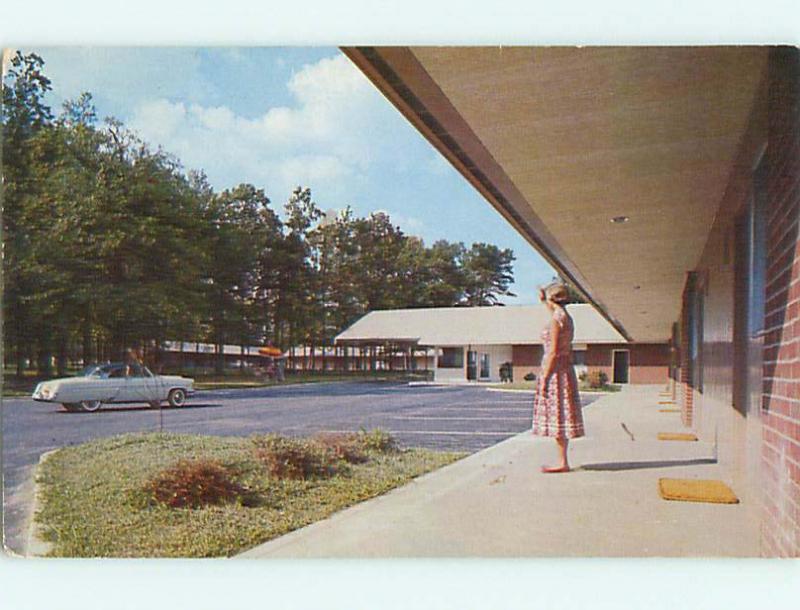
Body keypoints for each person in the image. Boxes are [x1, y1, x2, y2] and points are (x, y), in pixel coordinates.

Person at [532, 282, 584, 473]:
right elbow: (553, 308)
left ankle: (562, 462)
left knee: (557, 416)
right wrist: (544, 298)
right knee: (561, 416)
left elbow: (553, 351)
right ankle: (563, 460)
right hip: (565, 370)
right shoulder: (566, 318)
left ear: (551, 299)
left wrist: (545, 377)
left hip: (555, 372)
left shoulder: (555, 321)